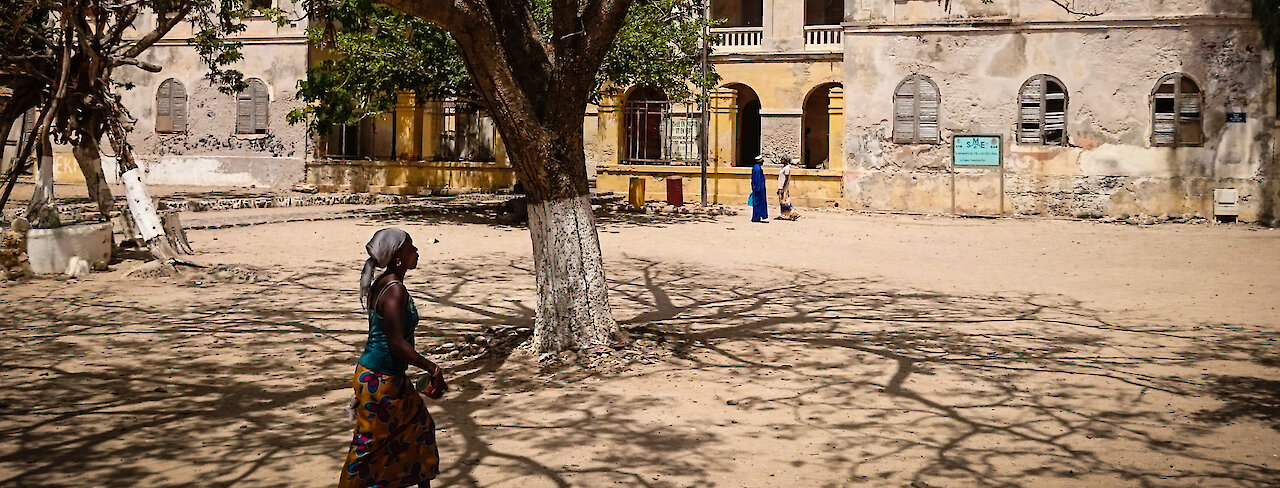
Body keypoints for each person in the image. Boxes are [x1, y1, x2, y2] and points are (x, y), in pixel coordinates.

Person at [340, 227, 447, 488]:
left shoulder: (386, 283)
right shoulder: (394, 291)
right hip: (380, 381)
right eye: (411, 247)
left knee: (419, 428)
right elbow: (396, 344)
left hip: (388, 378)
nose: (416, 251)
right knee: (368, 448)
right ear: (398, 256)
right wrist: (432, 369)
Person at [749, 155, 769, 222]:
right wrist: (757, 189)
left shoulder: (756, 167)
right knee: (758, 203)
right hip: (759, 189)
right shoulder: (757, 169)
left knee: (757, 203)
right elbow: (757, 179)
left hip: (759, 188)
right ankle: (757, 217)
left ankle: (757, 216)